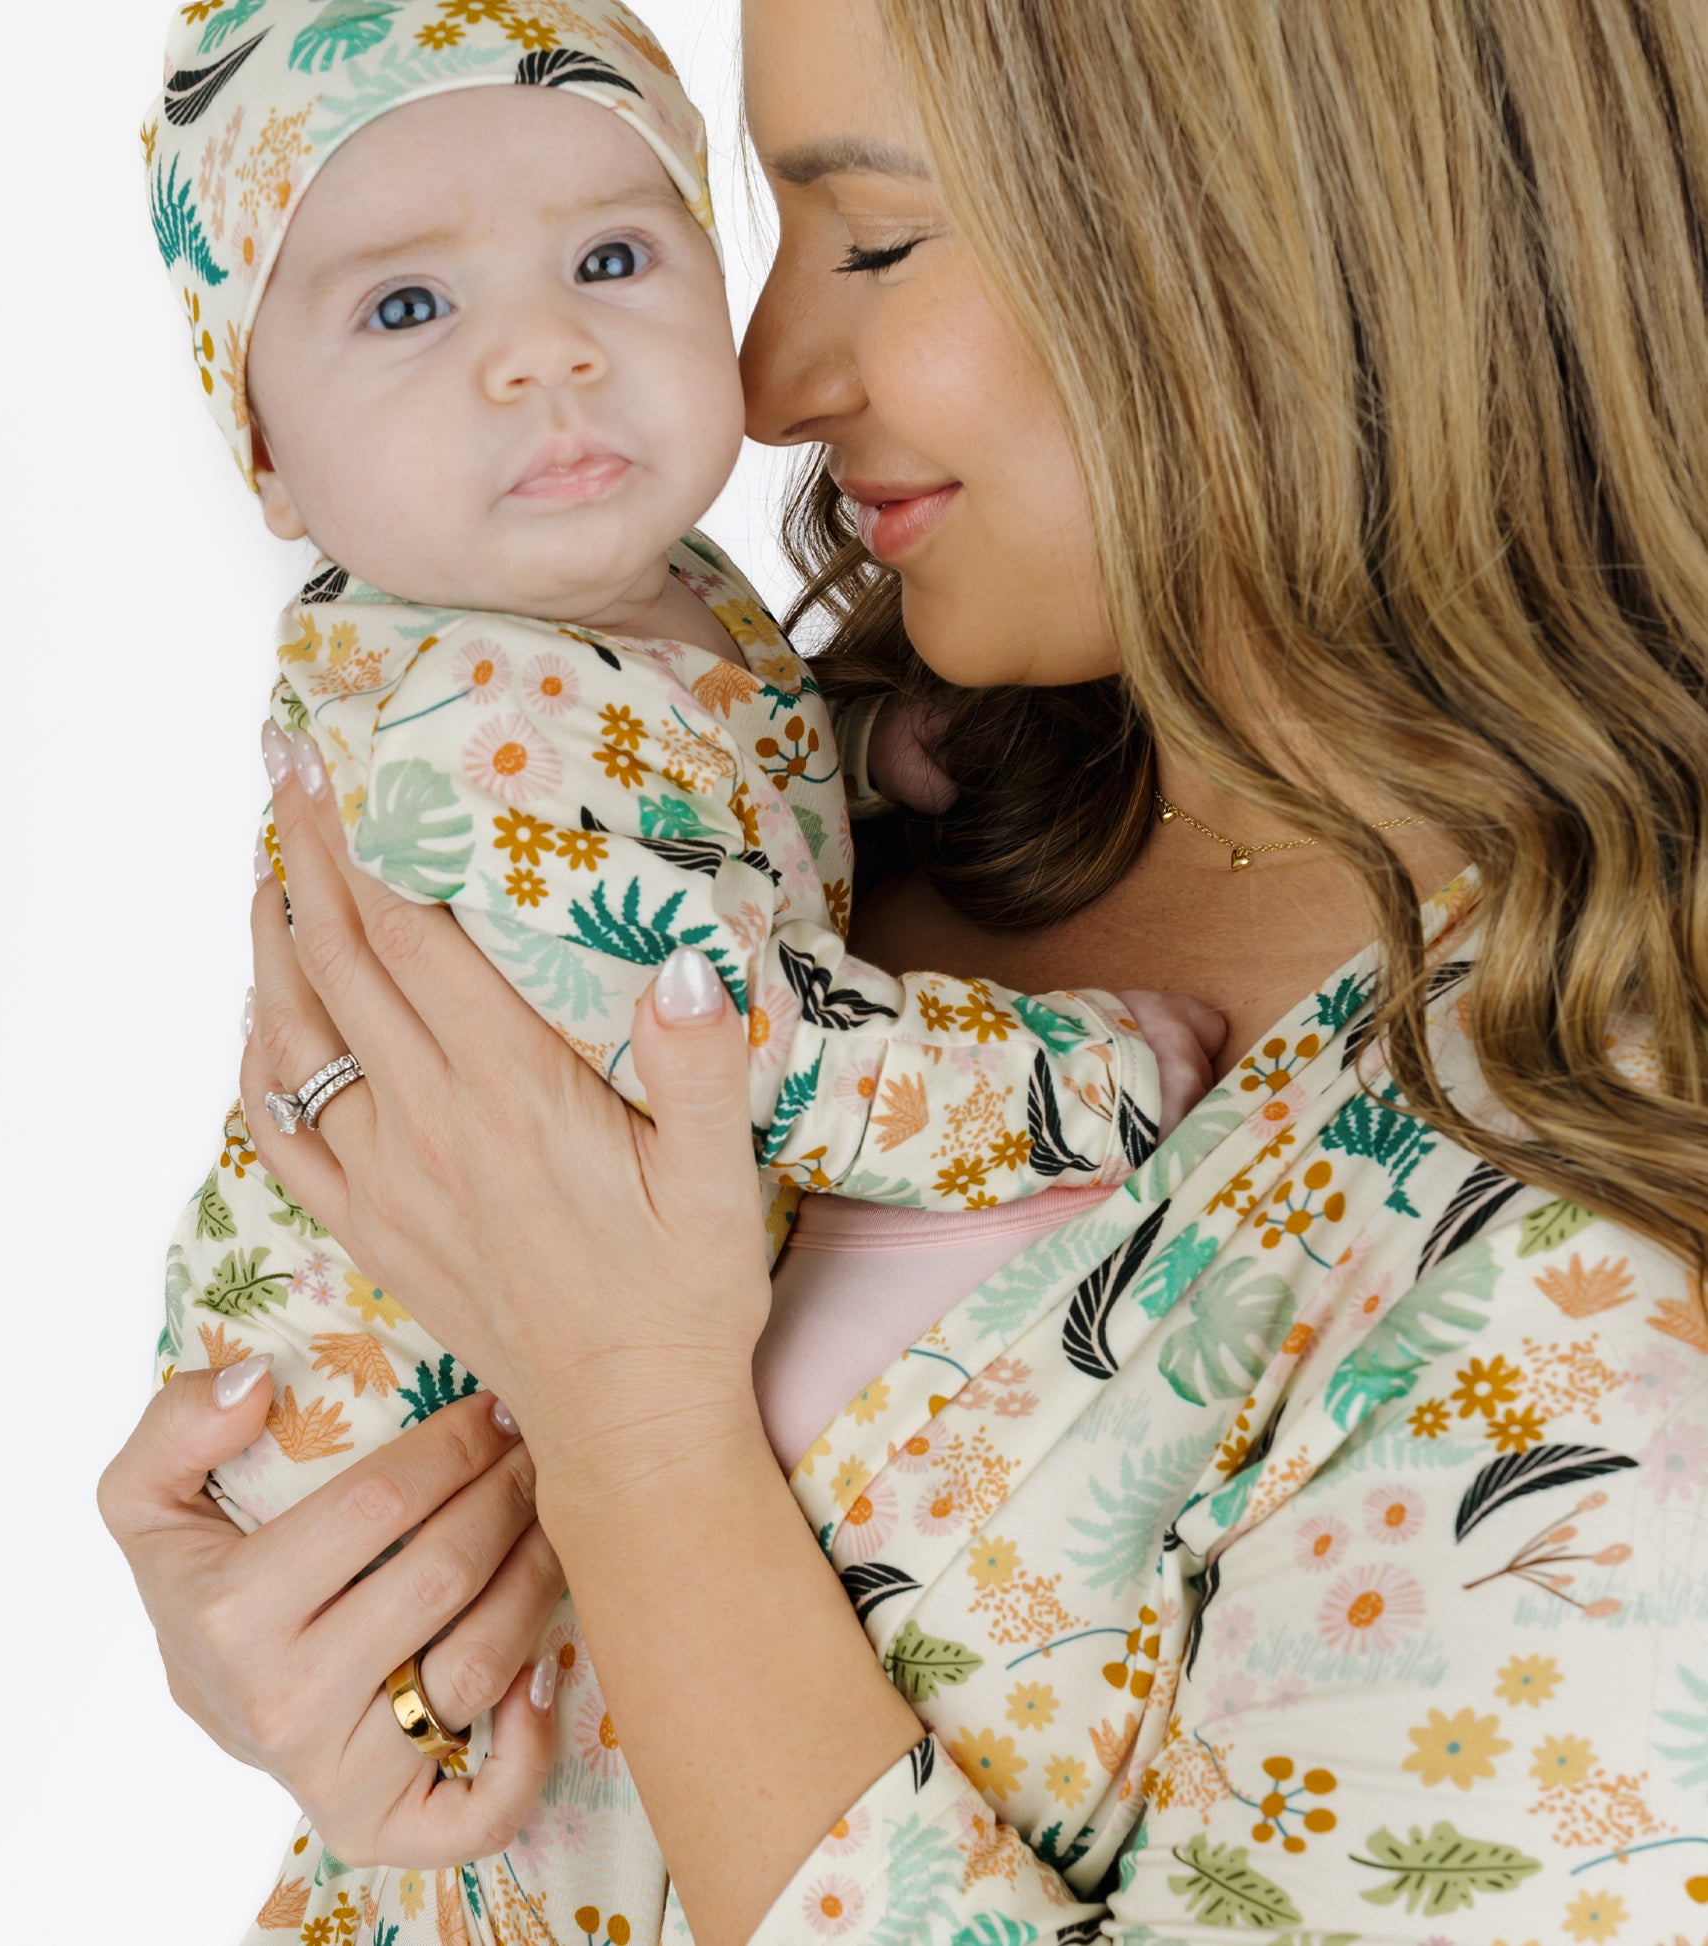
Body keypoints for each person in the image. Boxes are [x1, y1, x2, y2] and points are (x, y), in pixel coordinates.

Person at [101, 0, 1708, 1941]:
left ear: (1296, 252)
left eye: (867, 239)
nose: (764, 377)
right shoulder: (867, 740)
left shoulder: (1588, 1219)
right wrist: (316, 1600)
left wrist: (635, 1431)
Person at [139, 3, 1218, 1937]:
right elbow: (743, 1047)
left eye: (616, 261)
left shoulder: (633, 599)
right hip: (423, 1487)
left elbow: (719, 765)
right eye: (404, 311)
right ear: (268, 455)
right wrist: (1079, 1077)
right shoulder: (468, 717)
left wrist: (860, 759)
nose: (545, 348)